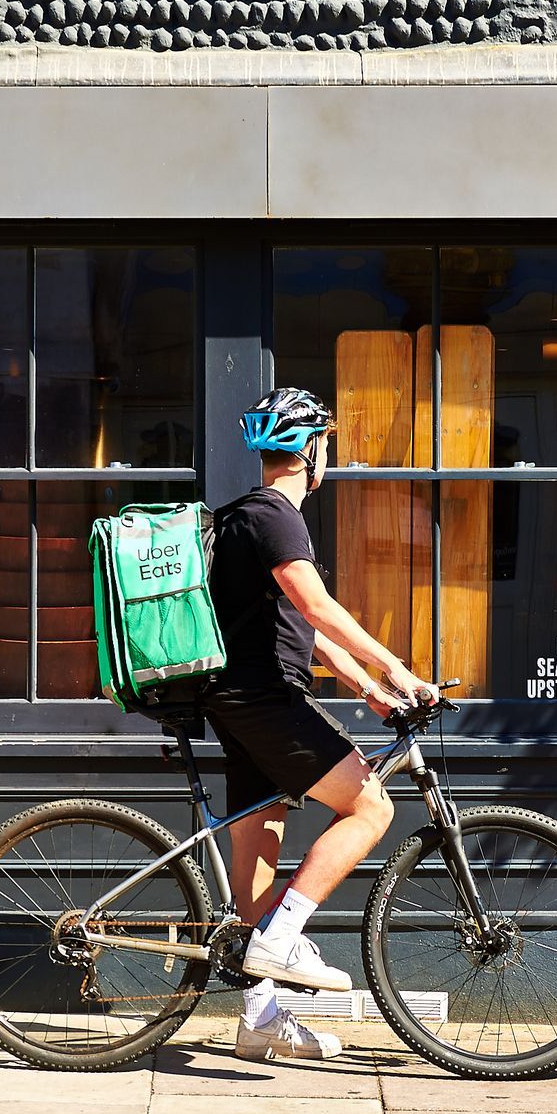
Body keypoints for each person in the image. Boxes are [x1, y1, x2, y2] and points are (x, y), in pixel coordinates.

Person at [204, 386, 440, 1062]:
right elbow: (317, 605)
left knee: (257, 863)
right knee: (370, 807)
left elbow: (301, 627)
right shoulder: (277, 516)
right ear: (314, 452)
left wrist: (367, 685)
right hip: (267, 699)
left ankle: (258, 1019)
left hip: (237, 701)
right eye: (325, 444)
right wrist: (398, 667)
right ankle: (281, 941)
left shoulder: (248, 516)